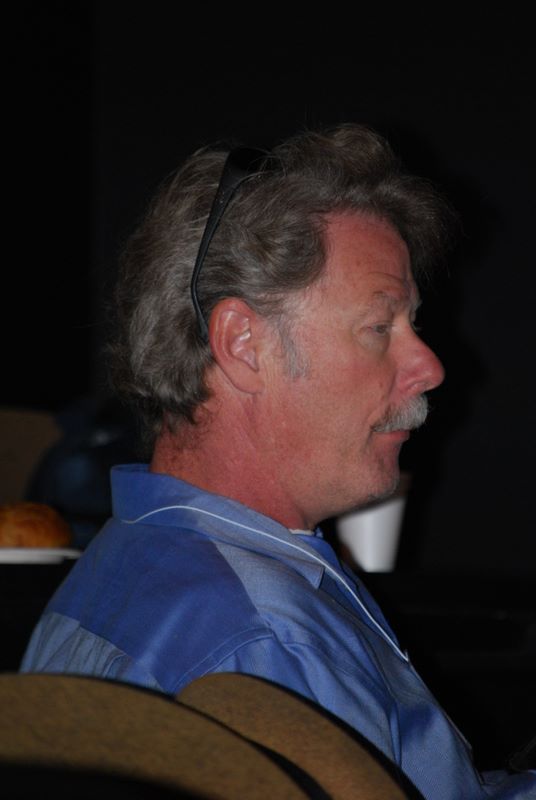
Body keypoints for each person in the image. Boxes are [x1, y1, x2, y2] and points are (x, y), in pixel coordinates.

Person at [21, 124, 535, 799]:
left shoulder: (116, 565)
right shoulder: (266, 640)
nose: (430, 367)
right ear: (243, 344)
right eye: (379, 326)